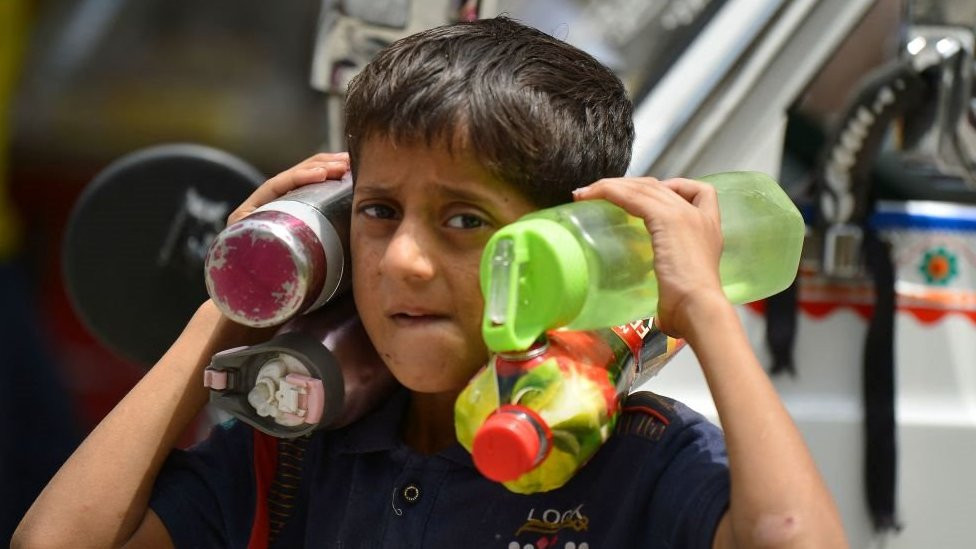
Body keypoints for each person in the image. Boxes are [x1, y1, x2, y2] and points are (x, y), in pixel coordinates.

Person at [13, 16, 847, 549]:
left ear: (571, 243)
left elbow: (788, 537)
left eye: (464, 221)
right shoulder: (294, 455)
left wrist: (700, 304)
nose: (405, 261)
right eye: (376, 212)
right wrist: (236, 300)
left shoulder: (639, 457)